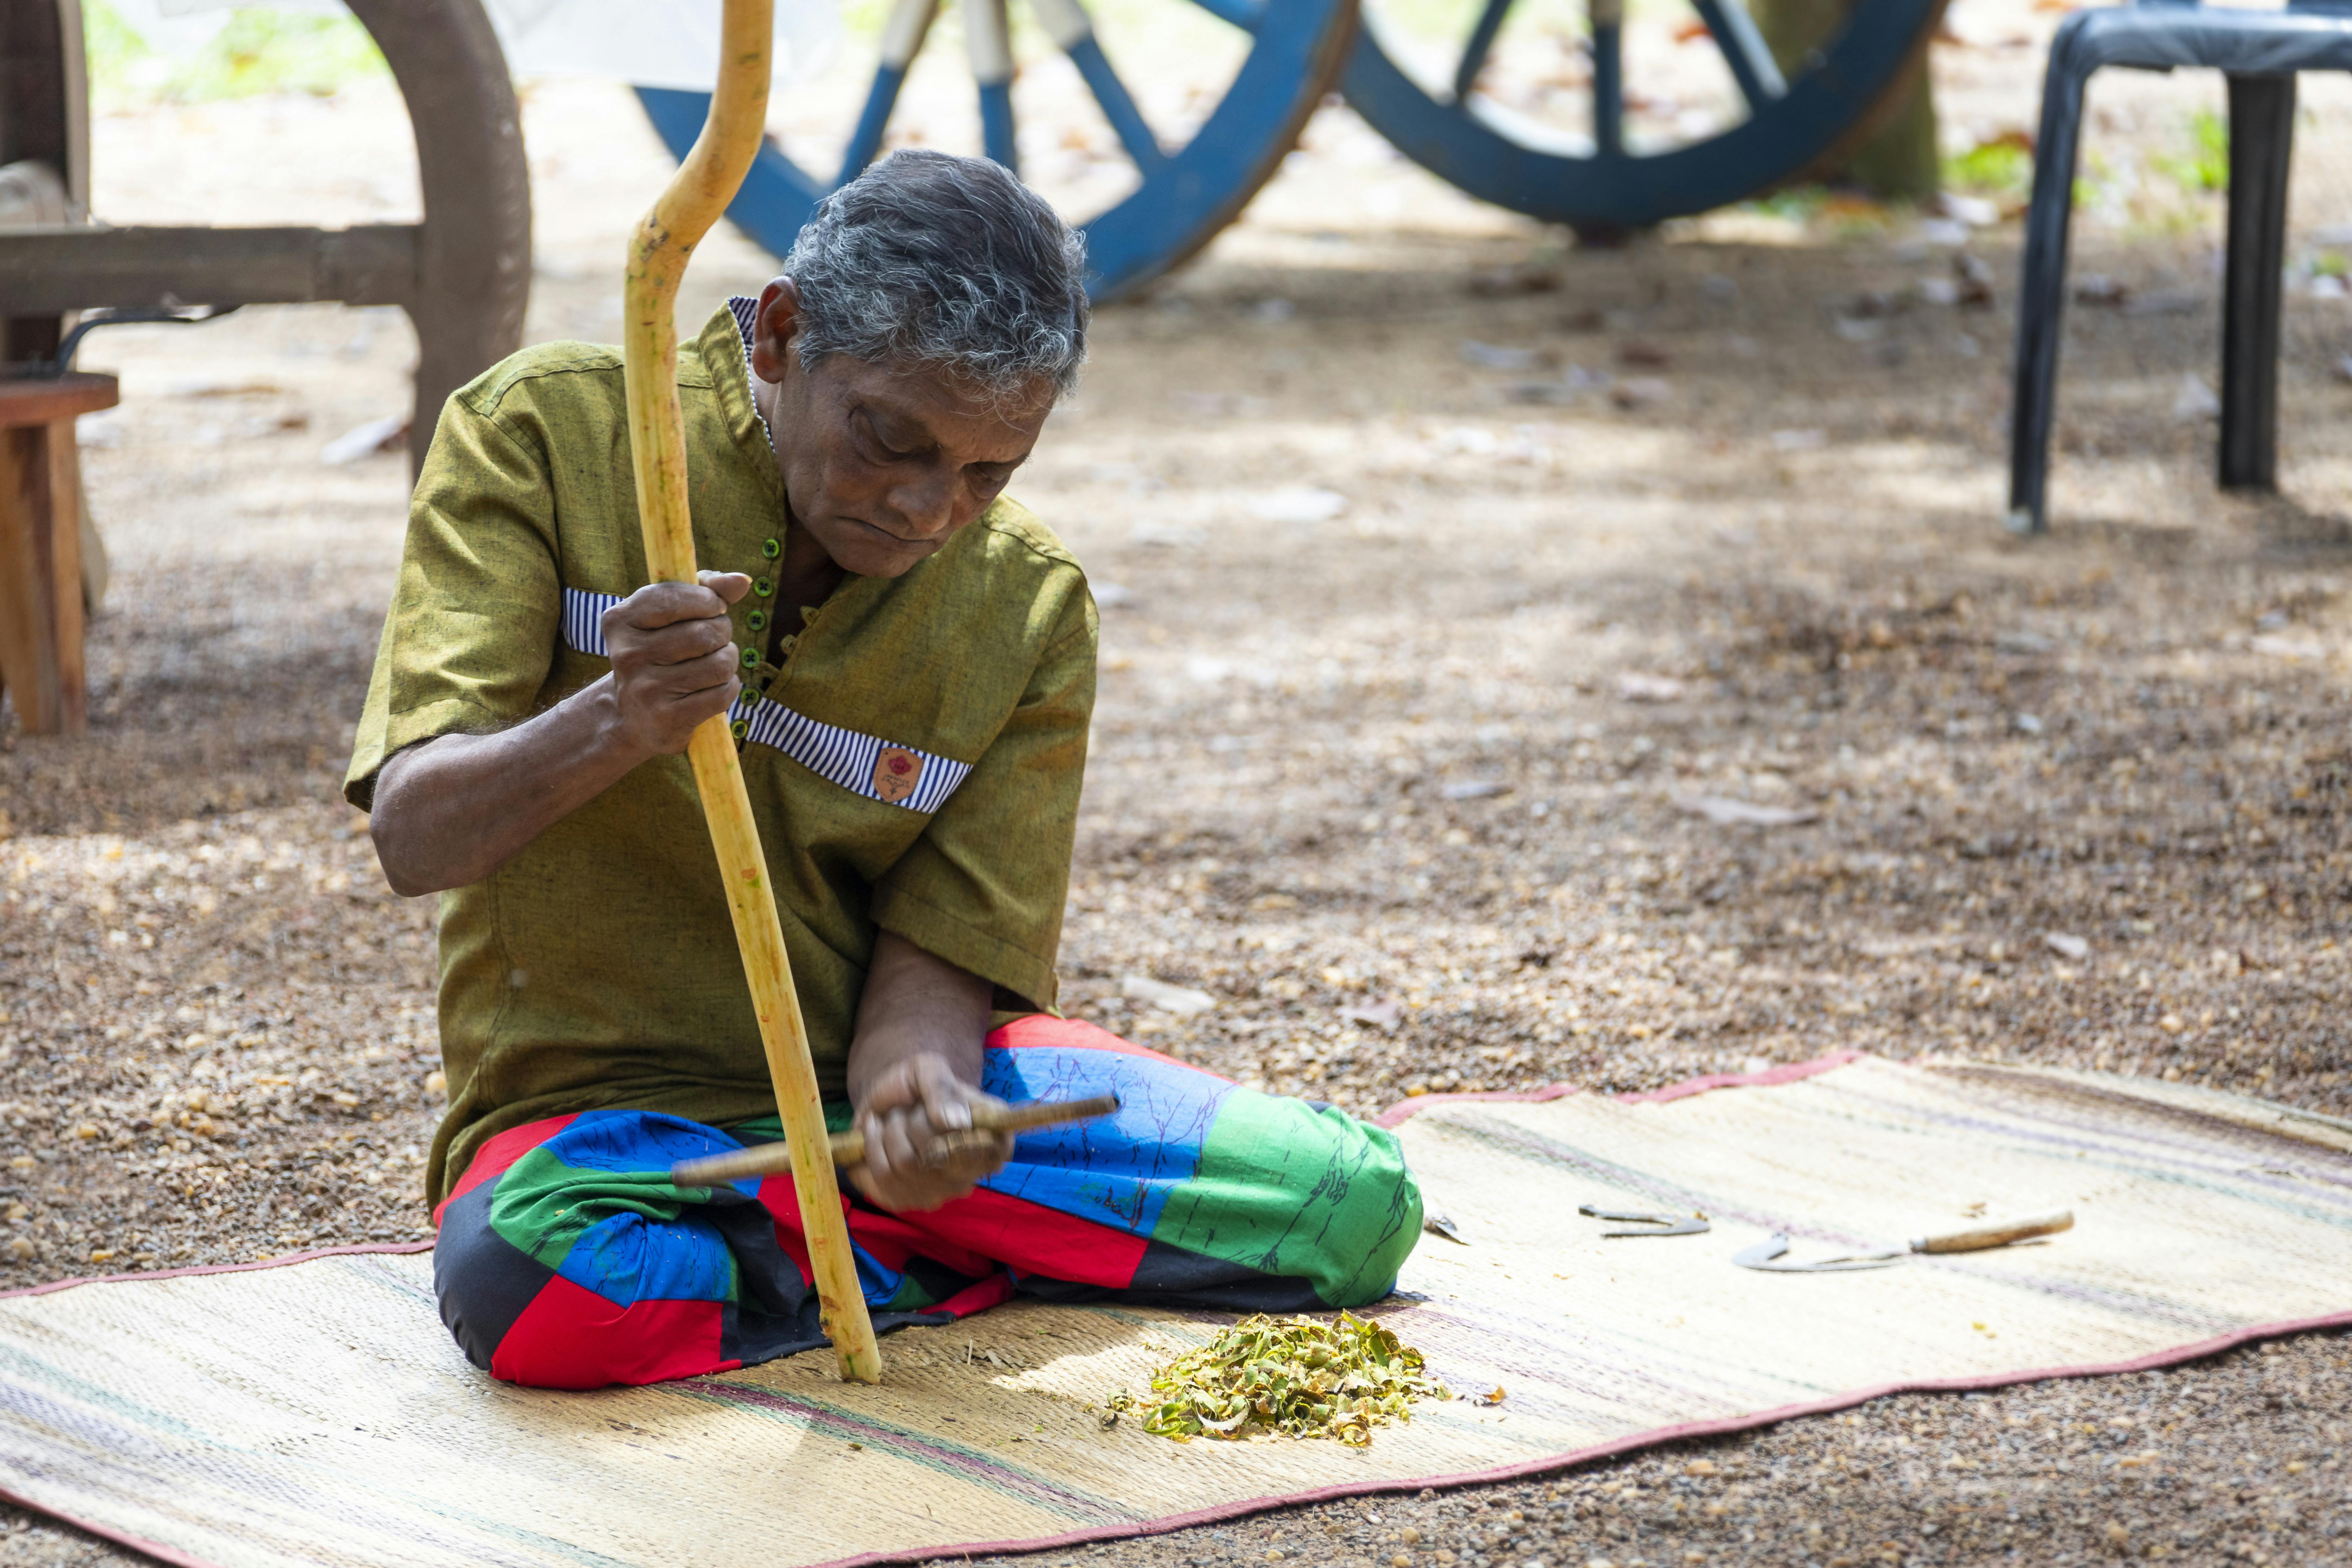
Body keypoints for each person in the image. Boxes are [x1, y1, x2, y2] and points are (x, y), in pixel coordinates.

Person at [346, 150, 1422, 1389]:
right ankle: (951, 1255)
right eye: (889, 439)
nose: (927, 510)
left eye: (987, 472)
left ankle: (851, 1235)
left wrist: (920, 1099)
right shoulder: (546, 433)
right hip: (601, 1131)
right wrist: (615, 721)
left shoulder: (1030, 604)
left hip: (863, 1112)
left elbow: (946, 955)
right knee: (541, 1288)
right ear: (783, 336)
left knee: (1352, 1207)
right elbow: (415, 839)